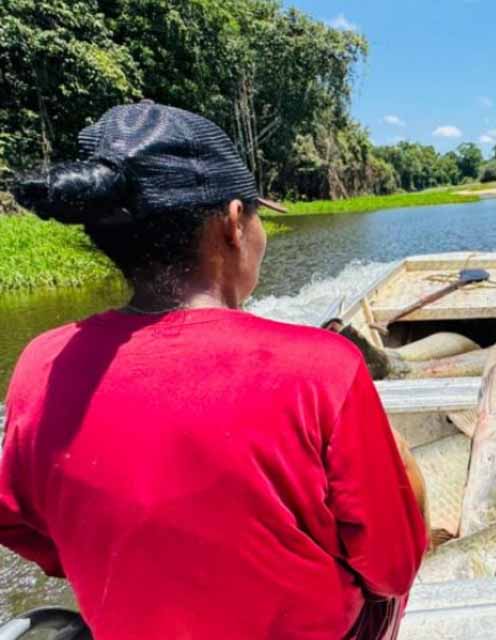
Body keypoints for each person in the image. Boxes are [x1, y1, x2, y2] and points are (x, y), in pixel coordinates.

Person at [0, 101, 428, 639]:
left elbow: (19, 521)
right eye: (258, 216)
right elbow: (392, 570)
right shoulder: (323, 366)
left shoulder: (41, 363)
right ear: (231, 224)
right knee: (403, 466)